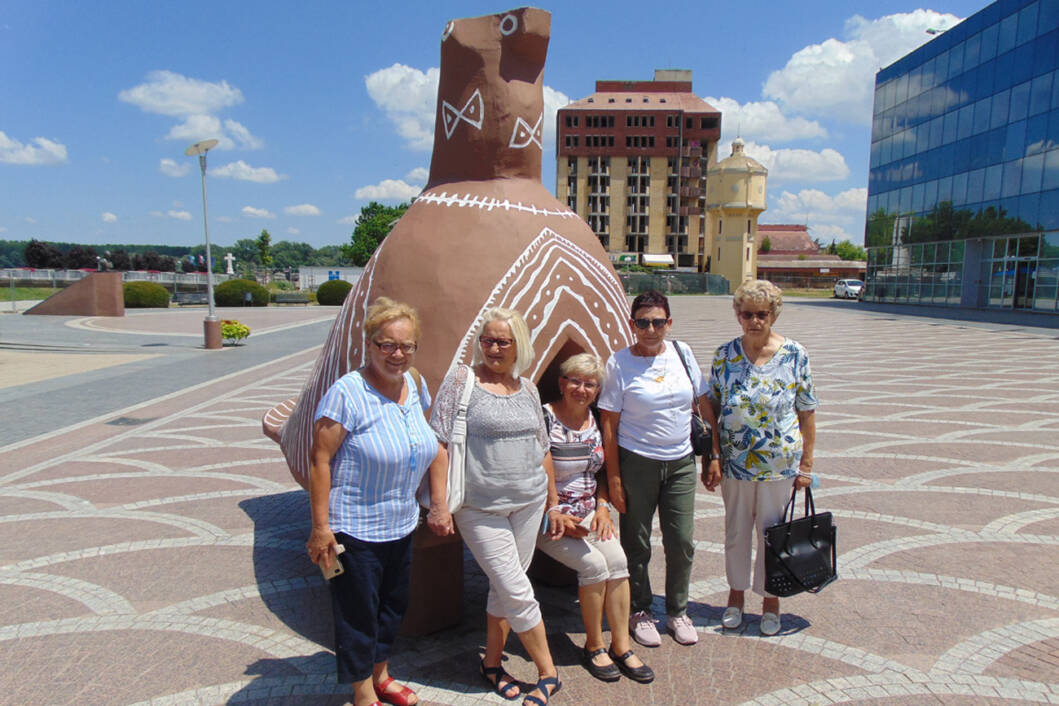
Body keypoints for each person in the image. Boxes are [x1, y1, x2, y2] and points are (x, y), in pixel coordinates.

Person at [426, 307, 562, 706]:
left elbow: (543, 449)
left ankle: (490, 664)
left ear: (518, 345)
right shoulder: (462, 381)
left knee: (504, 588)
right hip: (479, 507)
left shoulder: (529, 388)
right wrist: (438, 504)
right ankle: (548, 672)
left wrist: (552, 499)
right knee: (518, 590)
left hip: (528, 502)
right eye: (487, 340)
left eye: (503, 341)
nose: (494, 348)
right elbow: (439, 443)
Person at [306, 297, 438, 706]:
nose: (397, 354)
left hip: (400, 522)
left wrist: (436, 502)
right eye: (387, 345)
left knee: (391, 607)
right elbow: (320, 459)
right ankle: (363, 694)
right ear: (369, 345)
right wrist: (320, 527)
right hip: (354, 529)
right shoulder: (348, 392)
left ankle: (381, 674)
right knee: (357, 614)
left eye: (406, 345)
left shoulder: (414, 384)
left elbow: (430, 439)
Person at [598, 290, 720, 648]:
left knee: (681, 540)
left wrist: (713, 453)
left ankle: (678, 610)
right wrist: (615, 478)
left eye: (657, 322)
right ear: (632, 324)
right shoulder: (619, 363)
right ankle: (640, 609)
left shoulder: (682, 353)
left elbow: (703, 405)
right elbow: (609, 425)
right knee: (636, 542)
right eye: (642, 322)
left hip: (680, 461)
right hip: (637, 460)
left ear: (669, 323)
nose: (650, 329)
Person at [701, 279, 817, 637]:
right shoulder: (725, 354)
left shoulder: (795, 354)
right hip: (735, 464)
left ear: (773, 315)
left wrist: (807, 466)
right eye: (747, 314)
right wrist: (713, 455)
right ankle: (735, 599)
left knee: (773, 536)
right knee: (736, 533)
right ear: (738, 315)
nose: (754, 321)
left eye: (762, 314)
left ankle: (771, 602)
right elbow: (712, 406)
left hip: (778, 465)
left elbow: (807, 411)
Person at [536, 353, 654, 684]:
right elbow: (532, 473)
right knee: (594, 567)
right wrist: (553, 510)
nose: (581, 389)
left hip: (590, 514)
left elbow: (600, 471)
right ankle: (595, 645)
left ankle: (622, 645)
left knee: (617, 562)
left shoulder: (595, 419)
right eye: (575, 381)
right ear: (561, 383)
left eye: (589, 384)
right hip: (551, 518)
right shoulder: (544, 419)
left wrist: (603, 505)